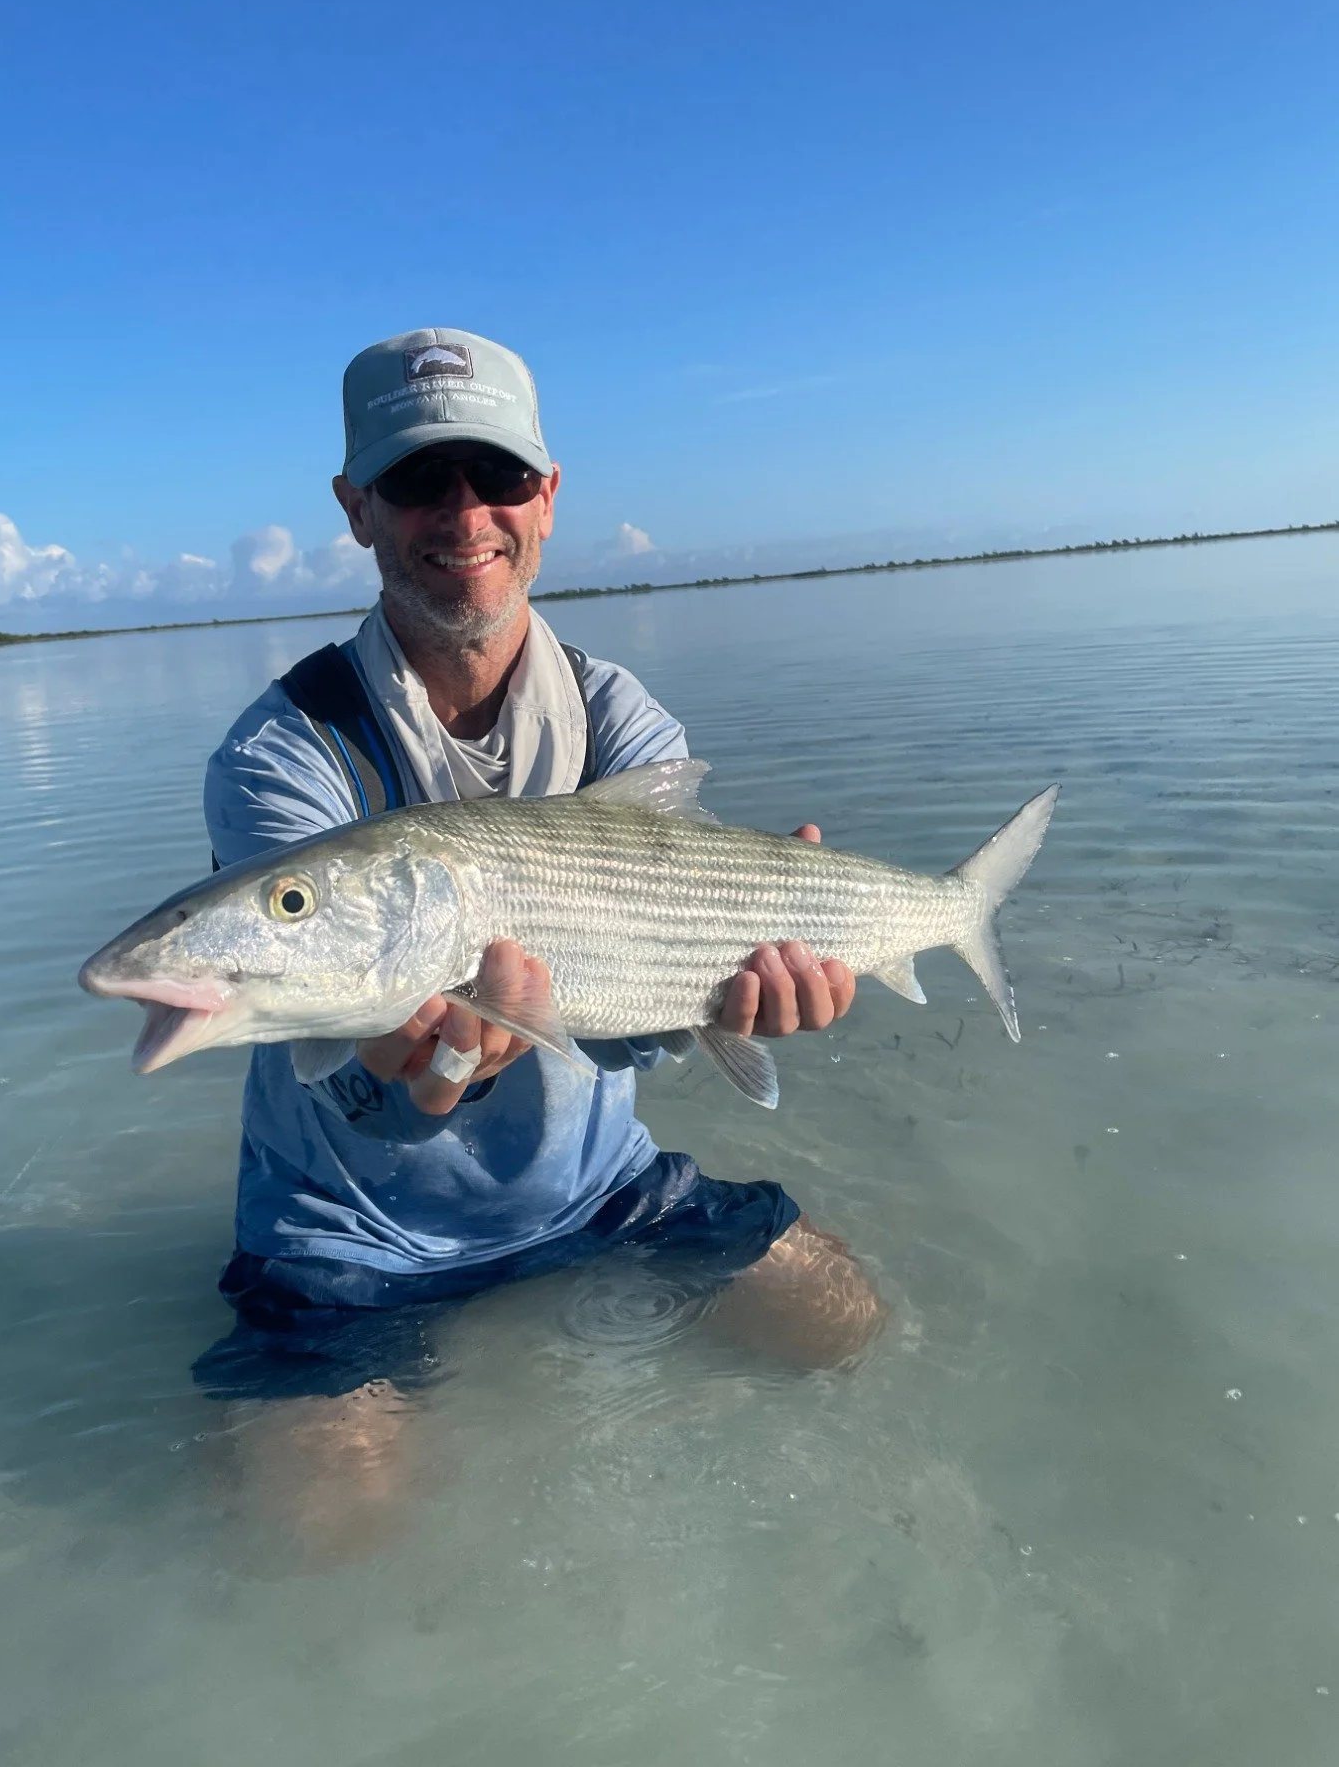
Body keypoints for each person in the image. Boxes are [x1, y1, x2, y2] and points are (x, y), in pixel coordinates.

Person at [195, 328, 882, 1556]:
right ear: (356, 508)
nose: (464, 512)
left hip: (597, 1192)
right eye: (416, 479)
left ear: (549, 498)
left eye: (498, 475)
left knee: (847, 1325)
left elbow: (642, 1025)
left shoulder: (625, 719)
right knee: (326, 1539)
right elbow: (350, 1067)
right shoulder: (283, 756)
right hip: (351, 1238)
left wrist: (729, 1000)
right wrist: (446, 1063)